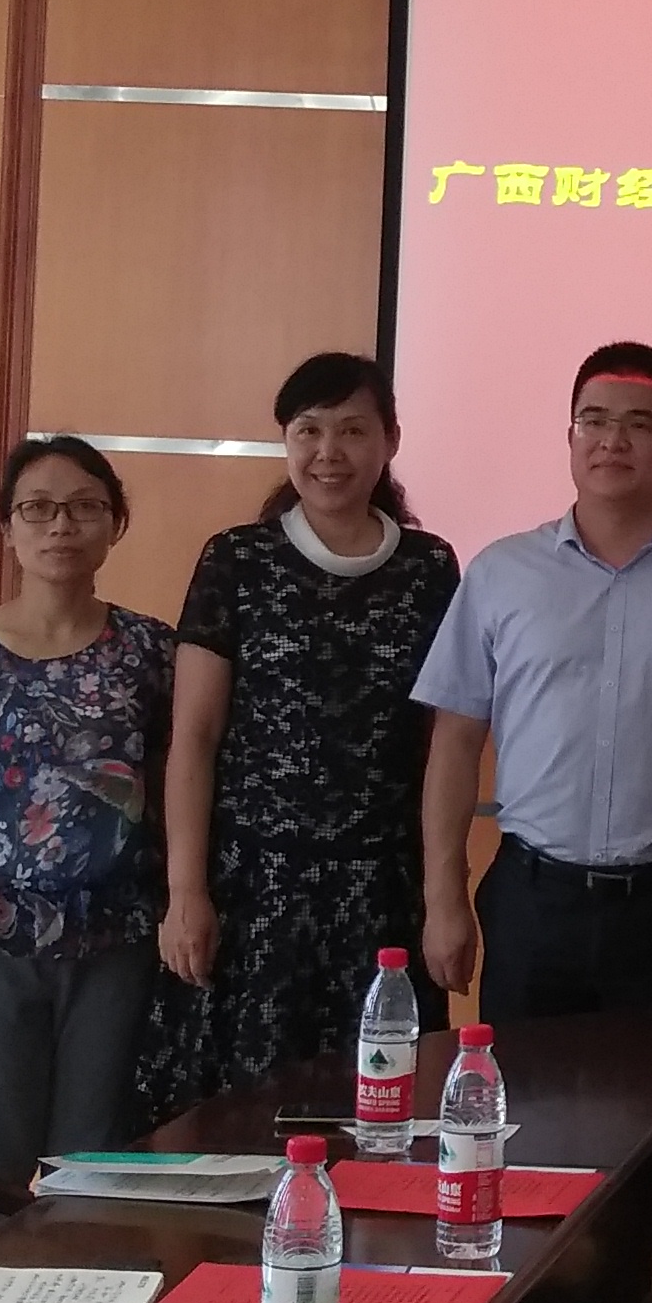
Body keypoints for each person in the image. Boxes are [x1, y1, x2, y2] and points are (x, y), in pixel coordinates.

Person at [135, 351, 460, 1123]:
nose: (328, 451)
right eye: (308, 430)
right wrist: (186, 892)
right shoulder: (237, 560)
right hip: (254, 890)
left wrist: (444, 894)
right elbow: (194, 738)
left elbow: (446, 743)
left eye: (352, 430)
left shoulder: (430, 568)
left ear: (390, 440)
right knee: (240, 1116)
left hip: (383, 895)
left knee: (380, 1112)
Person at [417, 343, 652, 1018]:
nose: (613, 441)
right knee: (521, 1084)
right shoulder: (503, 572)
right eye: (594, 421)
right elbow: (456, 739)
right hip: (531, 898)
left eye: (640, 424)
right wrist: (443, 897)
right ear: (570, 438)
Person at [0, 437, 179, 1240]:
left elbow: (174, 787)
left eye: (84, 507)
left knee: (96, 1167)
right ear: (8, 527)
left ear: (115, 524)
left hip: (115, 940)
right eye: (38, 508)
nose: (61, 526)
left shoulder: (150, 652)